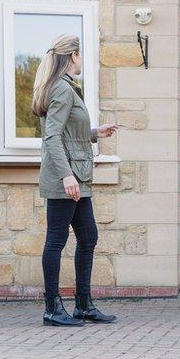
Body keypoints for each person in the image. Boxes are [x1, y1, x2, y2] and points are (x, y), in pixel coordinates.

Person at [32, 34, 118, 326]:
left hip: (77, 177)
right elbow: (52, 137)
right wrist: (67, 175)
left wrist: (95, 132)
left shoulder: (65, 88)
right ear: (72, 57)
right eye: (81, 55)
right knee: (56, 240)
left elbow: (68, 131)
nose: (83, 60)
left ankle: (83, 305)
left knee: (88, 237)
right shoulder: (62, 90)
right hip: (66, 178)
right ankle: (53, 309)